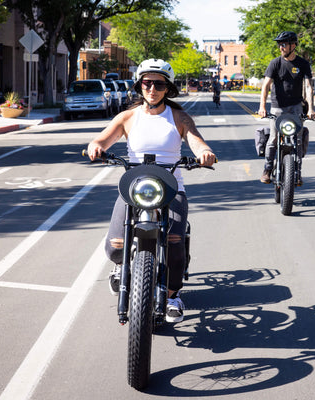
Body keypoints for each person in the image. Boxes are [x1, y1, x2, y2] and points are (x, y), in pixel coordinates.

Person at [86, 59, 217, 323]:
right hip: (135, 188)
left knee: (174, 243)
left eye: (159, 84)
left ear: (167, 88)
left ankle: (172, 296)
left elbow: (196, 140)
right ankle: (121, 265)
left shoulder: (178, 117)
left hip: (171, 187)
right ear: (139, 85)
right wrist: (95, 146)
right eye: (147, 82)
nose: (152, 88)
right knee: (114, 246)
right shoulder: (127, 117)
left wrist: (204, 153)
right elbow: (102, 138)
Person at [258, 31, 315, 184]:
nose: (280, 48)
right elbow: (266, 86)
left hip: (296, 107)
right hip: (277, 108)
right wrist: (262, 107)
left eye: (283, 44)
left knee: (297, 140)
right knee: (273, 139)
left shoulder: (303, 64)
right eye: (279, 45)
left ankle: (297, 172)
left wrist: (310, 109)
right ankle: (267, 169)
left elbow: (309, 87)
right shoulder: (275, 63)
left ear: (293, 45)